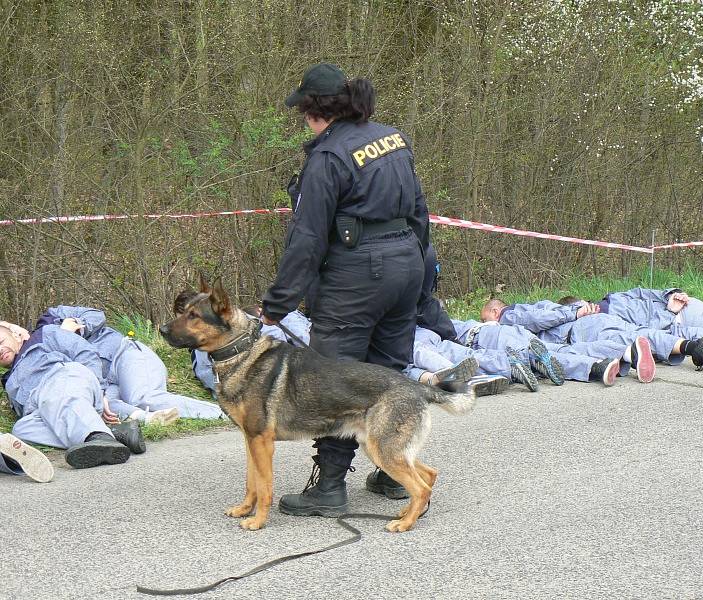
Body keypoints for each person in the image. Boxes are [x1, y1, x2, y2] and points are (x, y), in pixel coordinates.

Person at [260, 63, 429, 517]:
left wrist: (277, 304)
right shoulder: (392, 137)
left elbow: (308, 238)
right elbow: (419, 211)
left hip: (356, 275)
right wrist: (421, 277)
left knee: (334, 379)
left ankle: (329, 488)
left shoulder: (328, 157)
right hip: (406, 263)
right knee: (388, 371)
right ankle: (393, 472)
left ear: (314, 111)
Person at [36, 306, 225, 422]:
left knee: (143, 397)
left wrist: (74, 326)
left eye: (7, 333)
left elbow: (96, 315)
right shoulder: (37, 352)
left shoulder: (54, 315)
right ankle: (151, 420)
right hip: (103, 383)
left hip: (124, 354)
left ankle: (224, 414)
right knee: (101, 407)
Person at [0, 324, 136, 468]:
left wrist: (101, 391)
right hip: (47, 408)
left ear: (15, 335)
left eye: (1, 342)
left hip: (65, 378)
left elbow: (85, 351)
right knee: (22, 430)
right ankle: (111, 434)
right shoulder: (8, 381)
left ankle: (100, 437)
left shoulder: (42, 335)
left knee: (54, 396)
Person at [481, 298, 703, 373]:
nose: (485, 325)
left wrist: (574, 313)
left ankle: (634, 358)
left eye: (484, 320)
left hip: (578, 331)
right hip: (597, 320)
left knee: (624, 342)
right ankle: (694, 347)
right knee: (640, 334)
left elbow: (537, 321)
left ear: (494, 311)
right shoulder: (542, 302)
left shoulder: (508, 315)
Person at [450, 319, 655, 387]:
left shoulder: (439, 327)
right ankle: (628, 352)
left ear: (494, 311)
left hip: (485, 337)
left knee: (535, 358)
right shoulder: (471, 321)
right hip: (510, 331)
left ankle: (595, 367)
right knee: (563, 351)